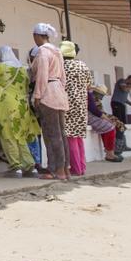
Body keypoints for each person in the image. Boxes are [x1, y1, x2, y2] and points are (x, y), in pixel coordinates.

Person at [0, 47, 42, 177]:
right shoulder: (23, 69)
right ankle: (30, 166)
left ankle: (16, 167)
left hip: (6, 104)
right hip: (22, 106)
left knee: (8, 135)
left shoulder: (0, 68)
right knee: (21, 136)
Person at [30, 23, 69, 180]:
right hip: (59, 90)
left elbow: (42, 75)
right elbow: (63, 76)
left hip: (48, 93)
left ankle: (56, 170)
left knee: (51, 134)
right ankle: (64, 168)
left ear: (38, 36)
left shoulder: (43, 52)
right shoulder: (57, 51)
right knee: (61, 134)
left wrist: (37, 95)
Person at [60, 41, 93, 176]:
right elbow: (89, 86)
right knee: (78, 137)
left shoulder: (61, 66)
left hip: (67, 104)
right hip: (81, 105)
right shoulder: (82, 65)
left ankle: (76, 168)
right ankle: (82, 167)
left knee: (70, 138)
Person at [88, 84, 123, 162]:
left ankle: (114, 149)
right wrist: (107, 118)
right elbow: (95, 111)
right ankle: (110, 152)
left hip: (96, 116)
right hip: (91, 116)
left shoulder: (93, 97)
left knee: (118, 124)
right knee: (110, 126)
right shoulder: (90, 95)